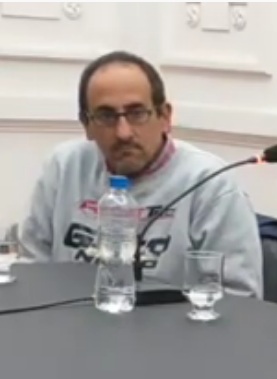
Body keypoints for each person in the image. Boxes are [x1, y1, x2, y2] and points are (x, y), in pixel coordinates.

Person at [17, 51, 263, 298]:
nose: (123, 132)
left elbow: (239, 300)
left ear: (165, 117)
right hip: (68, 318)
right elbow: (30, 270)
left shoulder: (211, 185)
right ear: (86, 125)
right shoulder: (64, 167)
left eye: (137, 114)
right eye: (106, 116)